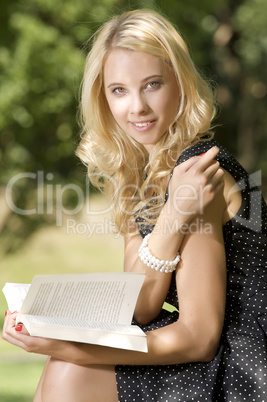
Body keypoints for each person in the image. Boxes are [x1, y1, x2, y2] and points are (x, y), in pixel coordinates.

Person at [2, 9, 266, 402]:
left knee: (70, 371)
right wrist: (55, 326)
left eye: (152, 84)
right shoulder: (137, 173)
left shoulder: (199, 171)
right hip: (203, 347)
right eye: (119, 90)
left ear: (180, 83)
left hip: (242, 360)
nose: (137, 107)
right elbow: (141, 305)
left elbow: (200, 337)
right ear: (103, 97)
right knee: (67, 369)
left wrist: (74, 348)